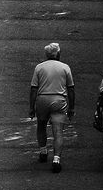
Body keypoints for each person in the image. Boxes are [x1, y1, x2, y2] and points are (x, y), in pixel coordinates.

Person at [29, 43, 75, 173]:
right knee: (58, 131)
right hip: (59, 100)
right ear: (58, 54)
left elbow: (34, 89)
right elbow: (71, 89)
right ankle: (56, 159)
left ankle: (43, 151)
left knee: (41, 125)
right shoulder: (65, 67)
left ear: (47, 54)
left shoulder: (39, 67)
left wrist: (31, 107)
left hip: (42, 99)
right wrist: (71, 108)